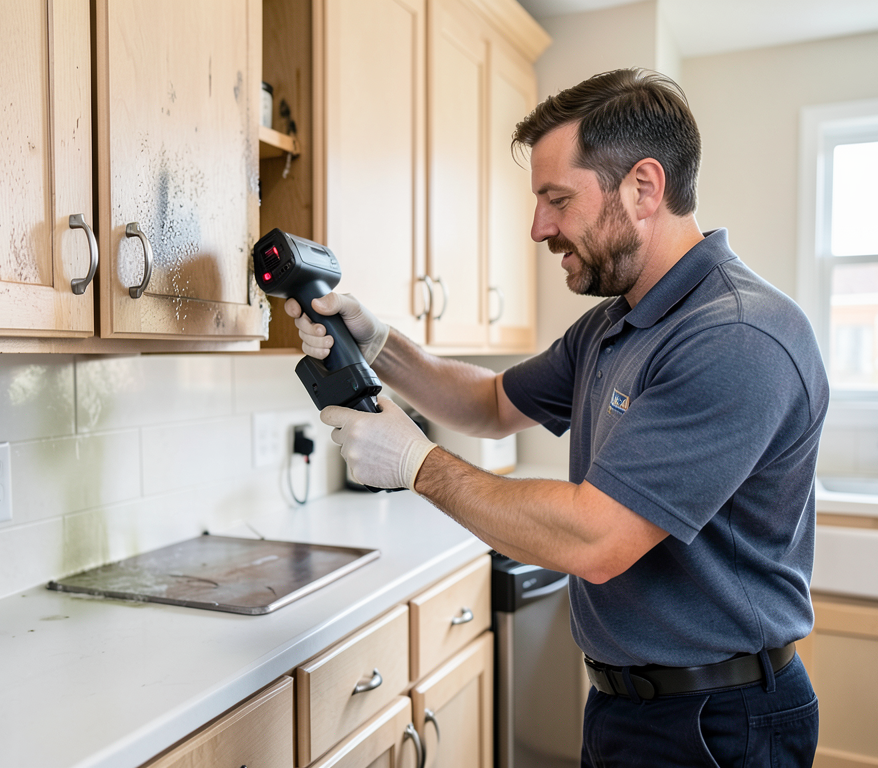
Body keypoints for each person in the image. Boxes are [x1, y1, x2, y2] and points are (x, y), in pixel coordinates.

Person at [286, 68, 827, 767]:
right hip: (625, 705)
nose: (539, 227)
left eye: (557, 199)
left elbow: (594, 539)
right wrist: (382, 346)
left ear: (643, 188)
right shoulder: (615, 324)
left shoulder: (736, 336)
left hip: (717, 722)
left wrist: (417, 464)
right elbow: (487, 404)